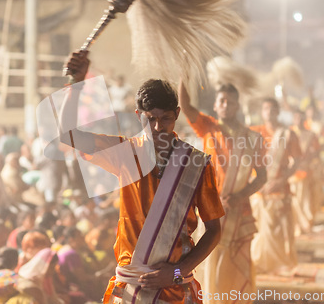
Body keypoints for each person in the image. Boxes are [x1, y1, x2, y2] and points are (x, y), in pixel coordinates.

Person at [57, 51, 224, 303]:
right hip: (130, 288)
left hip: (176, 287)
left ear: (177, 114)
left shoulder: (198, 164)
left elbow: (214, 230)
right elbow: (67, 135)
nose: (158, 127)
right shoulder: (125, 153)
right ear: (138, 115)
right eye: (150, 119)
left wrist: (177, 272)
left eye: (165, 118)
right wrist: (76, 85)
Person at [179, 80, 267, 303]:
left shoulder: (253, 138)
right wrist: (185, 73)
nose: (226, 105)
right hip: (211, 210)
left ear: (238, 106)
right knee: (210, 263)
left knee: (237, 265)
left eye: (231, 101)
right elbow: (185, 105)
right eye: (222, 101)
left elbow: (262, 176)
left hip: (240, 211)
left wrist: (239, 196)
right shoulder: (208, 127)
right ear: (216, 106)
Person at [250, 98, 302, 274]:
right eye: (265, 109)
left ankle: (279, 265)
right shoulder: (254, 133)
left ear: (278, 112)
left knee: (279, 232)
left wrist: (281, 180)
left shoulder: (288, 134)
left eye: (273, 109)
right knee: (258, 232)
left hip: (279, 190)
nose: (269, 113)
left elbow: (297, 160)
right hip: (258, 192)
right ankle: (259, 264)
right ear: (262, 112)